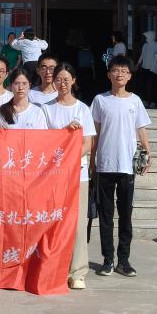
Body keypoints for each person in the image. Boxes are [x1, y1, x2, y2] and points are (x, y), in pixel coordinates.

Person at [91, 55, 152, 278]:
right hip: (105, 165)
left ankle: (123, 261)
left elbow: (141, 129)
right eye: (115, 70)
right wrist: (92, 160)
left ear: (129, 76)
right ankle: (108, 260)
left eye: (124, 71)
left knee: (126, 215)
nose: (119, 74)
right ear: (109, 74)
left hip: (127, 165)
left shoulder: (135, 101)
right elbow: (95, 133)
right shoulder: (100, 100)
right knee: (106, 216)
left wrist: (148, 153)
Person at [43, 62, 96, 290]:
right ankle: (55, 268)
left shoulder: (82, 109)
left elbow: (88, 144)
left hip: (77, 174)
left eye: (66, 79)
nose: (62, 83)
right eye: (58, 79)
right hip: (52, 175)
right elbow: (42, 141)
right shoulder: (46, 109)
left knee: (78, 223)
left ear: (74, 81)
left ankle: (77, 271)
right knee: (52, 221)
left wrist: (70, 156)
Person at [135, 30, 157, 109]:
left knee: (154, 85)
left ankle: (153, 102)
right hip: (145, 67)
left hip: (153, 68)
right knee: (144, 84)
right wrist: (138, 64)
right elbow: (142, 55)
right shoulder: (145, 45)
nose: (146, 38)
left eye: (147, 37)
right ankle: (145, 100)